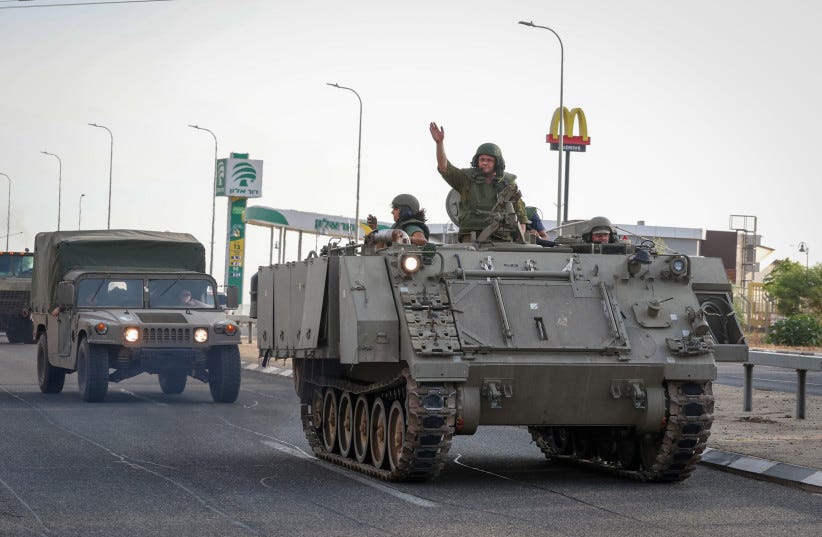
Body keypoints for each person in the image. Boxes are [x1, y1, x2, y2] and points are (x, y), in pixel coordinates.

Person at [429, 122, 528, 242]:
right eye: (482, 159)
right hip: (471, 236)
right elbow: (444, 167)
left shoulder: (508, 183)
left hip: (502, 238)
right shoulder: (466, 179)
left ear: (497, 163)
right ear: (477, 161)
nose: (485, 163)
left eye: (489, 160)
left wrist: (520, 240)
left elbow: (521, 215)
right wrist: (439, 143)